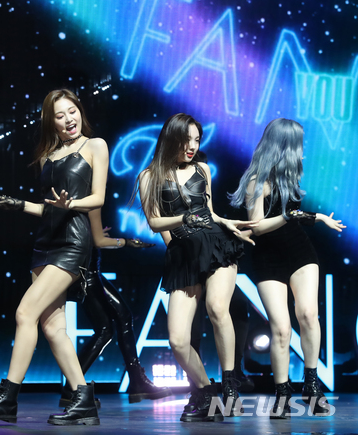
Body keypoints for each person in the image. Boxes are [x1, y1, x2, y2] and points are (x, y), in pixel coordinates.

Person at [0, 89, 108, 426]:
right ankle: (83, 399)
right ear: (52, 122)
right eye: (60, 115)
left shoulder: (95, 145)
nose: (69, 119)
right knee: (53, 328)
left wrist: (71, 204)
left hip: (73, 242)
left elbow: (98, 198)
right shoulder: (48, 156)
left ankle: (8, 397)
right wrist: (18, 204)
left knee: (25, 312)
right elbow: (48, 207)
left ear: (80, 111)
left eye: (72, 111)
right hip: (45, 242)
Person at [137, 113, 255, 422]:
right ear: (171, 138)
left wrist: (228, 223)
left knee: (217, 308)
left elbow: (210, 212)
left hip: (216, 245)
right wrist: (184, 220)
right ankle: (205, 391)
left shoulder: (203, 169)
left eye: (197, 140)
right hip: (183, 255)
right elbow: (154, 223)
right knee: (178, 340)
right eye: (186, 139)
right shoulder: (149, 176)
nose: (192, 146)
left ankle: (230, 385)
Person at [229, 118, 345, 418]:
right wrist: (288, 216)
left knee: (307, 314)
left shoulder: (290, 174)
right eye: (298, 144)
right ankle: (282, 394)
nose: (302, 150)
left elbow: (294, 216)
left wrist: (316, 217)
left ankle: (312, 385)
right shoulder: (257, 179)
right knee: (280, 328)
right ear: (284, 146)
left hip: (299, 252)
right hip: (268, 258)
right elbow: (256, 226)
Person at [59, 208, 171, 407]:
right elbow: (97, 241)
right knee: (117, 321)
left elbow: (90, 237)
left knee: (107, 329)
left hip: (89, 271)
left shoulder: (79, 202)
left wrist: (95, 235)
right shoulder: (89, 200)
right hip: (86, 273)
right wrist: (127, 242)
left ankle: (72, 387)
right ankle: (133, 381)